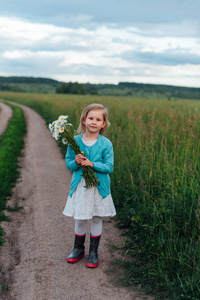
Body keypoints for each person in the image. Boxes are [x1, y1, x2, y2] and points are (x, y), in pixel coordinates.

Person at [63, 103, 116, 268]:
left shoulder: (105, 144)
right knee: (80, 217)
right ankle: (78, 248)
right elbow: (69, 164)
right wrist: (76, 162)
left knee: (96, 217)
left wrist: (92, 164)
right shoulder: (75, 141)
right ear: (84, 120)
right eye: (91, 118)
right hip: (81, 186)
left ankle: (94, 252)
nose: (94, 122)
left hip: (99, 187)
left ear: (103, 124)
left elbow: (109, 167)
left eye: (98, 119)